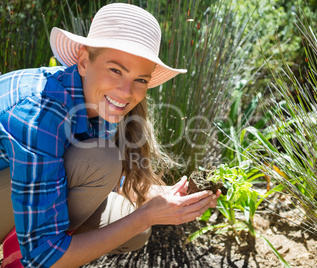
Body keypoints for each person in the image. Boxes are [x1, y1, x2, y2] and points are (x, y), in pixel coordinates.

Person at [0, 3, 220, 268]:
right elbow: (44, 256)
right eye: (116, 70)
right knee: (103, 163)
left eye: (141, 80)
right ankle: (19, 257)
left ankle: (23, 247)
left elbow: (90, 180)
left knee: (132, 229)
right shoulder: (40, 111)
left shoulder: (96, 101)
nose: (126, 92)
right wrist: (146, 216)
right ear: (83, 62)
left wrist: (167, 197)